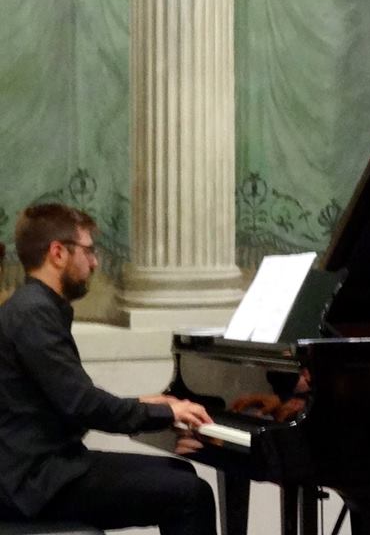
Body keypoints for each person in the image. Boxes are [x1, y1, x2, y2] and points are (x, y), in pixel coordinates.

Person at [0, 202, 218, 534]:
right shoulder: (34, 313)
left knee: (181, 474)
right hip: (34, 483)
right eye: (88, 251)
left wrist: (145, 403)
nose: (95, 262)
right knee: (191, 494)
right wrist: (165, 413)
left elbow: (70, 399)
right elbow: (82, 405)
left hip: (40, 470)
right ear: (58, 253)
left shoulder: (33, 307)